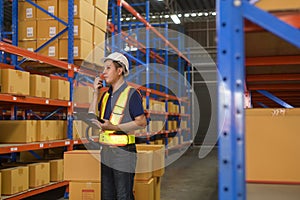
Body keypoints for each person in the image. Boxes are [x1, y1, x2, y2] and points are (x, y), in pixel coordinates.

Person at [88, 52, 147, 200]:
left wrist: (113, 128)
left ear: (119, 71)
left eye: (108, 68)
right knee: (107, 196)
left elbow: (141, 122)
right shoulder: (106, 95)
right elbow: (91, 116)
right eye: (104, 68)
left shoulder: (131, 94)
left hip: (124, 154)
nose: (104, 72)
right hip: (106, 153)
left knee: (123, 196)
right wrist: (95, 93)